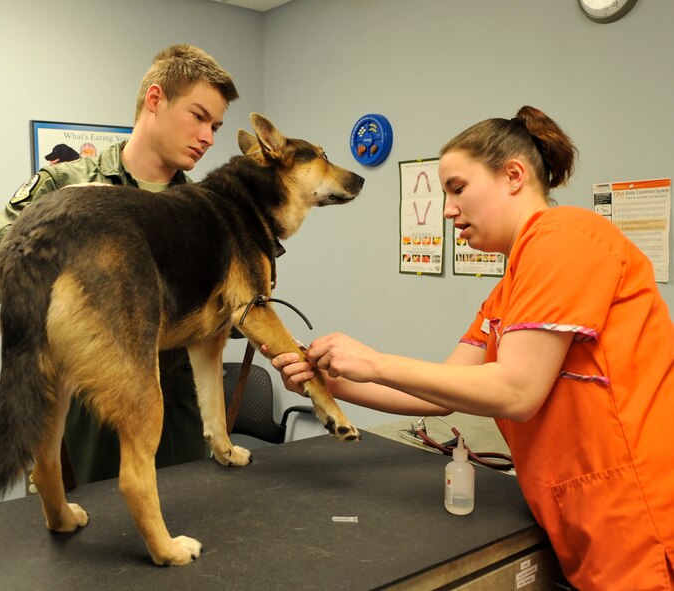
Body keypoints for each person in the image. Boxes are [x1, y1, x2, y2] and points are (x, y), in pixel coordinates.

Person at [267, 106, 674, 590]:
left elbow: (517, 390)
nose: (447, 209)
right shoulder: (509, 290)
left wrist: (374, 361)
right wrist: (332, 381)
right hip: (580, 518)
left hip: (637, 514)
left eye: (457, 188)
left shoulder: (565, 238)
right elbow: (445, 393)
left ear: (514, 176)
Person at [0, 44, 239, 484]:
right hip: (91, 404)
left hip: (177, 405)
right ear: (155, 100)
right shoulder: (65, 184)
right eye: (198, 116)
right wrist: (73, 235)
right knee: (88, 542)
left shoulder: (210, 211)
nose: (208, 137)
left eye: (216, 126)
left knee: (181, 529)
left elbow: (228, 318)